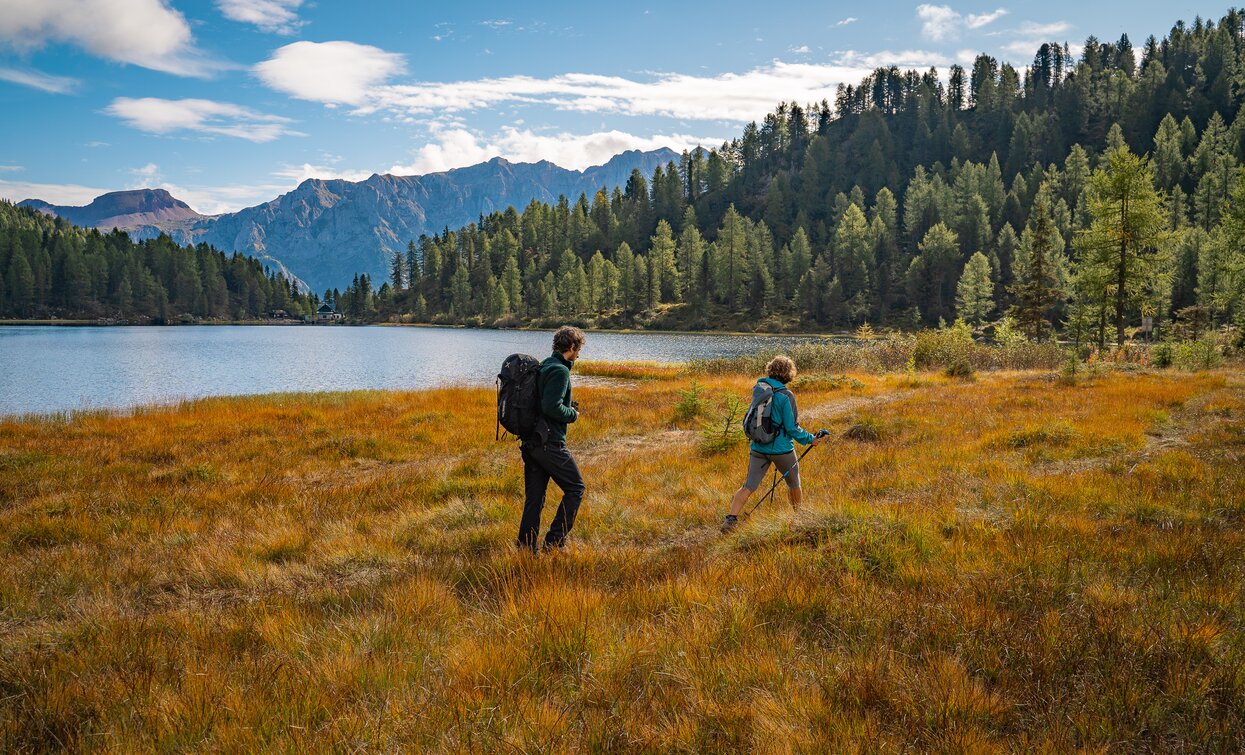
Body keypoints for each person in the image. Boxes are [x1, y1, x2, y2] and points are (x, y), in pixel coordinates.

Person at [721, 355, 822, 532]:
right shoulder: (786, 395)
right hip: (781, 449)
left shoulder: (759, 389)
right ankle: (800, 517)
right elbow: (792, 428)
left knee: (748, 485)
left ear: (770, 369)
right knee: (794, 484)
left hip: (758, 447)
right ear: (789, 373)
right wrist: (810, 439)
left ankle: (730, 520)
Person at [517, 325, 587, 552]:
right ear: (571, 347)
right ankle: (554, 542)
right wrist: (573, 414)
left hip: (532, 443)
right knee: (576, 488)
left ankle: (526, 548)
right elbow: (551, 407)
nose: (579, 354)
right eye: (579, 349)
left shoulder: (546, 365)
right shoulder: (560, 371)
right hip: (550, 444)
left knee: (534, 499)